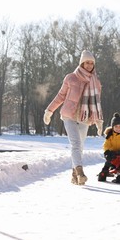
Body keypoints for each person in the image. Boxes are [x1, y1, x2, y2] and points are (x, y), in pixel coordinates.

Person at [43, 50, 104, 186]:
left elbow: (97, 103)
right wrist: (49, 110)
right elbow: (60, 96)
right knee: (75, 144)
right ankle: (80, 173)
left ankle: (74, 175)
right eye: (87, 62)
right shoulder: (71, 78)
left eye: (91, 63)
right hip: (69, 115)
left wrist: (99, 121)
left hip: (85, 117)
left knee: (80, 146)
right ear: (82, 63)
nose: (89, 65)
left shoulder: (96, 82)